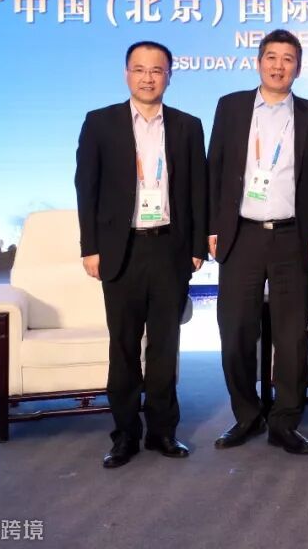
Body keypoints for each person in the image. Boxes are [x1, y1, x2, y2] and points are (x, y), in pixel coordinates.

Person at [75, 40, 207, 468]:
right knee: (125, 347)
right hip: (122, 249)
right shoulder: (100, 122)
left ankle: (163, 432)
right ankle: (125, 435)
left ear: (169, 76)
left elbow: (197, 190)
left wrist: (196, 247)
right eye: (139, 69)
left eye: (157, 70)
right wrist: (90, 247)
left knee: (165, 346)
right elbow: (86, 188)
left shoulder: (188, 126)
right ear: (126, 73)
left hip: (169, 248)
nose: (148, 78)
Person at [208, 29, 308, 455]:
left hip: (292, 236)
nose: (279, 66)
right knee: (236, 331)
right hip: (241, 234)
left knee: (291, 337)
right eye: (271, 57)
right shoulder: (231, 107)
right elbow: (215, 167)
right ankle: (247, 415)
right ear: (258, 62)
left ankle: (284, 421)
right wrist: (212, 227)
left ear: (299, 67)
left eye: (288, 59)